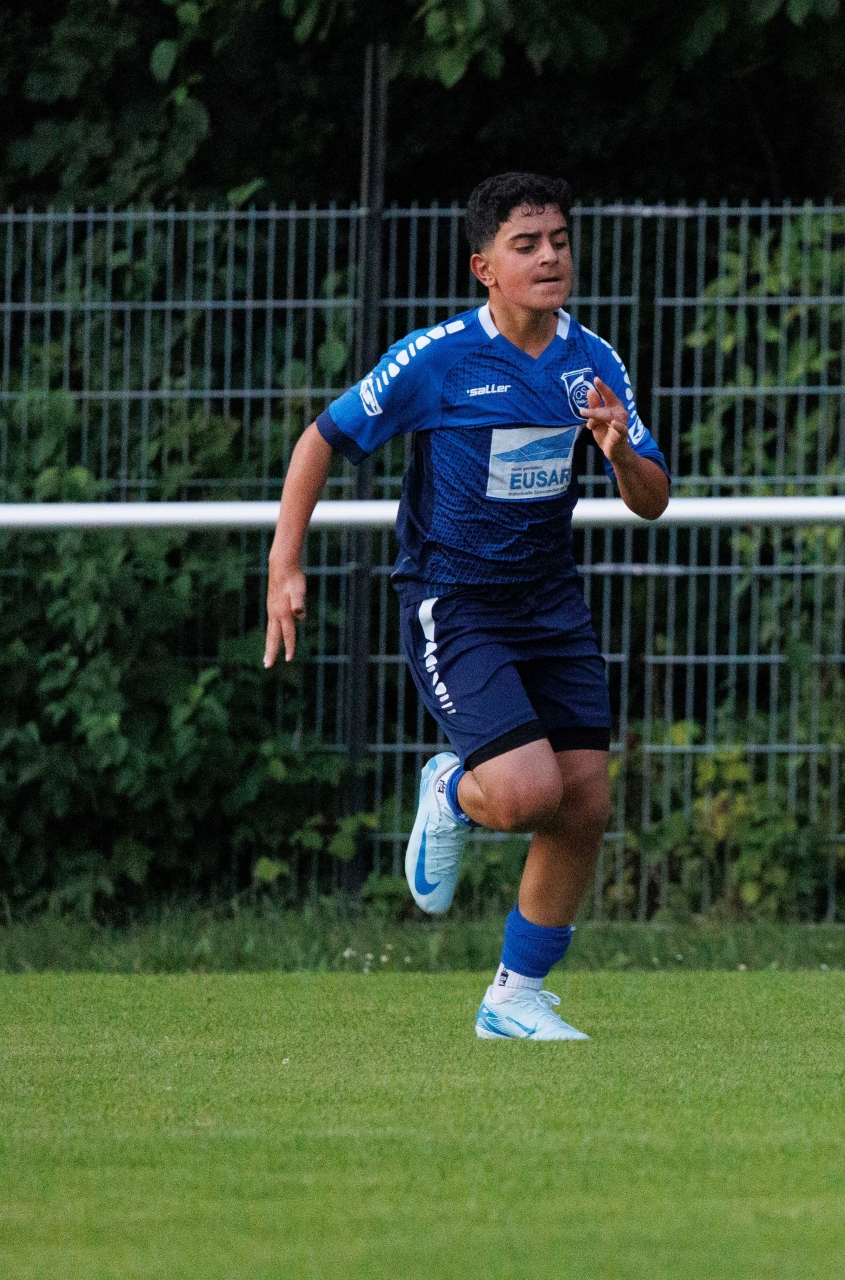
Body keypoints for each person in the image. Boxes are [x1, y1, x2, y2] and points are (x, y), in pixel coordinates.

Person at [264, 172, 669, 1040]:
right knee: (525, 797)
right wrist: (284, 563)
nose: (550, 257)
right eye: (527, 245)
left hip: (551, 603)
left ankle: (513, 998)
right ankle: (452, 788)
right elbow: (322, 438)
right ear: (485, 267)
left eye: (559, 240)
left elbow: (653, 499)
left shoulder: (594, 361)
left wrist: (617, 454)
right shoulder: (437, 359)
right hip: (456, 605)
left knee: (586, 804)